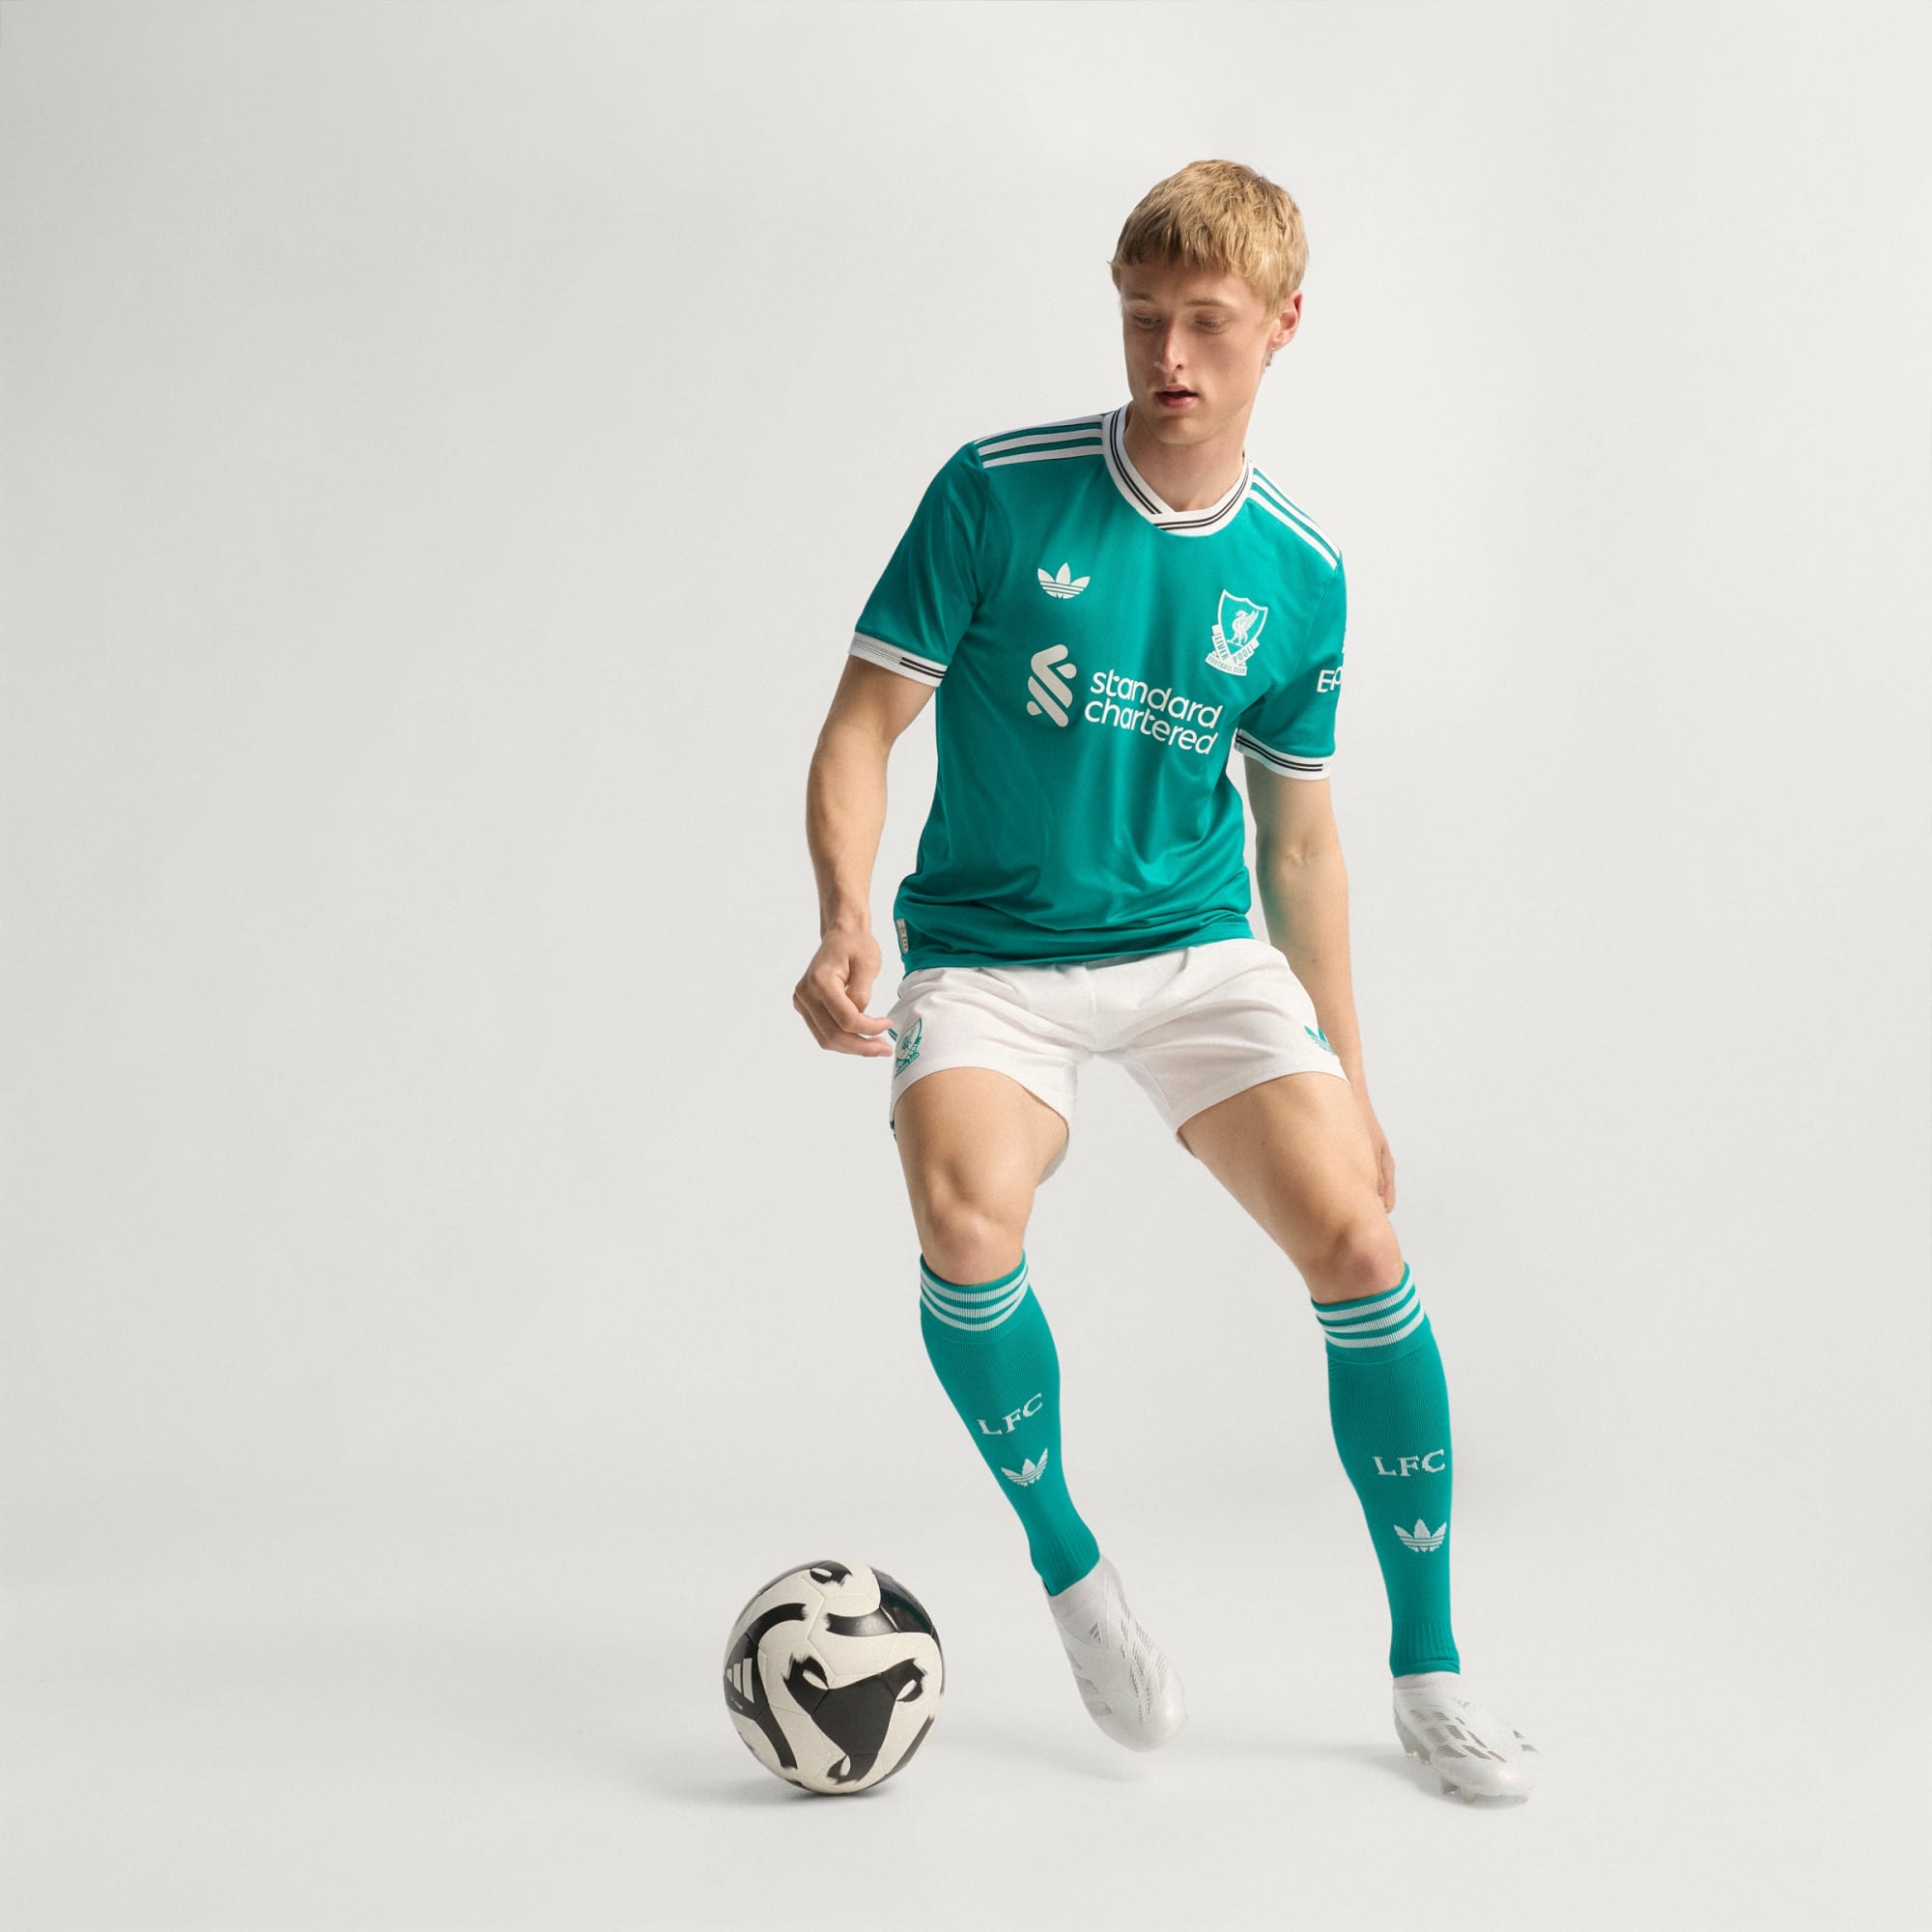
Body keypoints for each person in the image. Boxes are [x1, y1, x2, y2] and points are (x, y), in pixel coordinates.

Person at [792, 159, 1539, 1802]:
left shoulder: (1298, 572)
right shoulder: (997, 493)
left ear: (1285, 325)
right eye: (1144, 318)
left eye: (1207, 321)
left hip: (1196, 954)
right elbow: (860, 726)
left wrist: (1350, 1073)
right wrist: (847, 914)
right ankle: (1072, 1567)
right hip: (990, 952)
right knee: (965, 1218)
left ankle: (1430, 1669)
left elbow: (1301, 845)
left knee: (1360, 1235)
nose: (1170, 355)